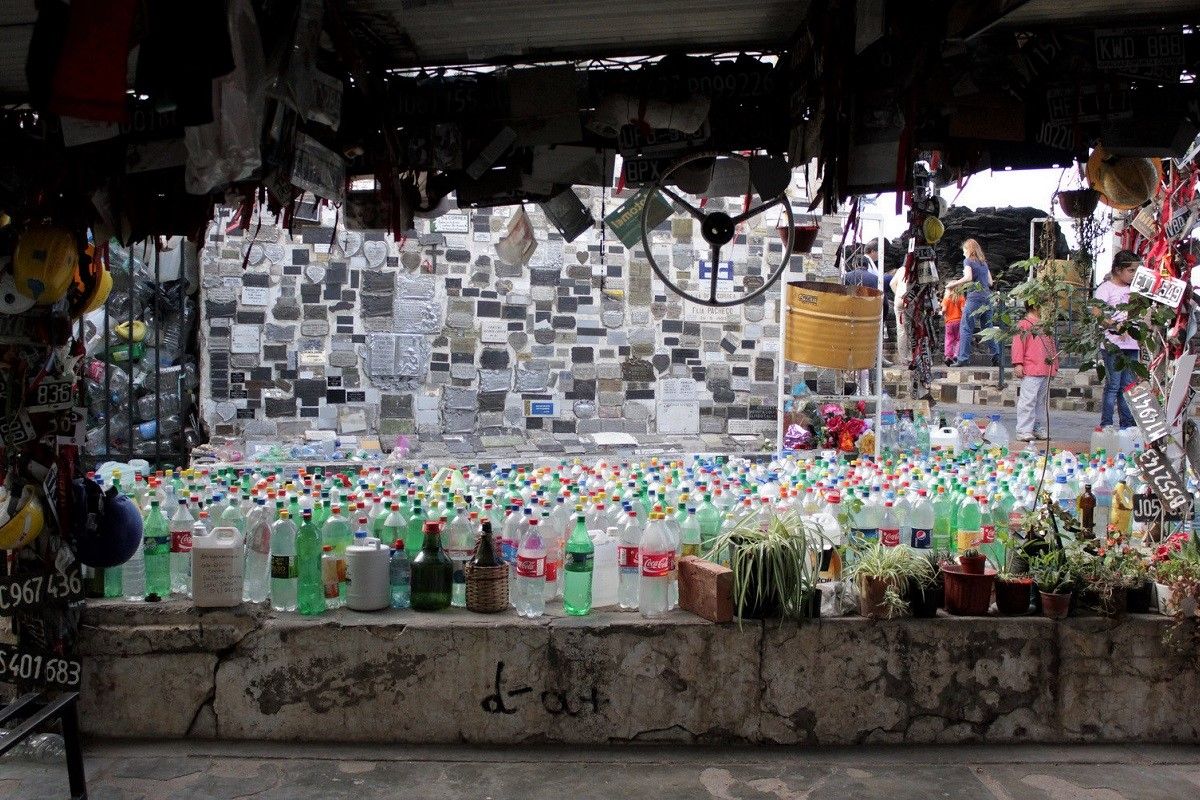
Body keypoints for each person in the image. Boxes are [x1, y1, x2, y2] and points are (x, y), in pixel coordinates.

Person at [1094, 249, 1142, 429]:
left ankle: (1127, 425)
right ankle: (1106, 423)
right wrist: (1114, 324)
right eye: (1131, 271)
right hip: (1113, 344)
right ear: (1118, 269)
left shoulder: (1134, 290)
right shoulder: (1105, 288)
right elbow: (1097, 313)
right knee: (1113, 385)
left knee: (1128, 387)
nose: (1133, 275)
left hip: (1132, 344)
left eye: (1136, 272)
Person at [945, 238, 1001, 366]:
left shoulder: (968, 260)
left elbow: (968, 277)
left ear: (969, 250)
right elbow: (990, 282)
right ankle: (996, 356)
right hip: (987, 297)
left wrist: (953, 285)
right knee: (988, 328)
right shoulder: (983, 263)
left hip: (974, 298)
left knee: (965, 327)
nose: (963, 253)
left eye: (964, 250)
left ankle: (963, 358)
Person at [1011, 304, 1058, 441]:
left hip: (1045, 369)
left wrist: (1054, 364)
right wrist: (1018, 363)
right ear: (1035, 306)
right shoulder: (1024, 324)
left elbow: (1051, 346)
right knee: (1028, 400)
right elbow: (1018, 344)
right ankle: (1023, 429)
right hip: (1031, 369)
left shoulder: (1044, 326)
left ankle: (1036, 426)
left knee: (1041, 401)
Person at [941, 286, 965, 365]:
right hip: (959, 321)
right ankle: (956, 355)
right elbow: (963, 310)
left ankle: (948, 356)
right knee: (958, 339)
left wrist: (945, 316)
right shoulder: (961, 298)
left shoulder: (946, 299)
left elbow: (944, 310)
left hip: (949, 322)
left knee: (949, 339)